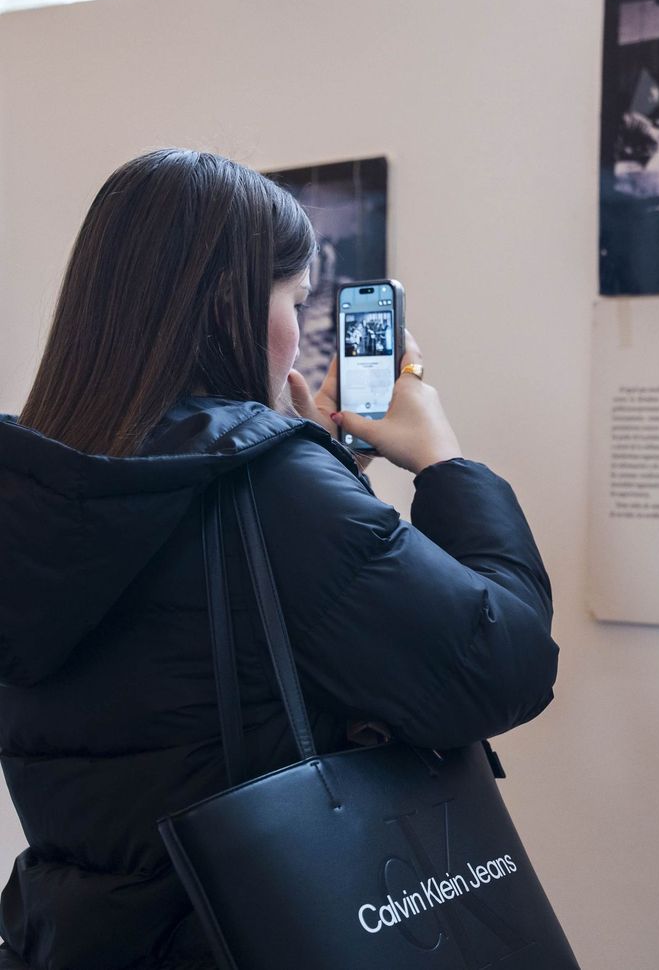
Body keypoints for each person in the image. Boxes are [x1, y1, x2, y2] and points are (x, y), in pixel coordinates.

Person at [0, 150, 560, 968]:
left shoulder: (35, 485)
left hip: (73, 940)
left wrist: (320, 474)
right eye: (295, 299)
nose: (299, 331)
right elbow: (502, 664)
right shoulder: (268, 487)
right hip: (257, 935)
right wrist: (444, 465)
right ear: (228, 304)